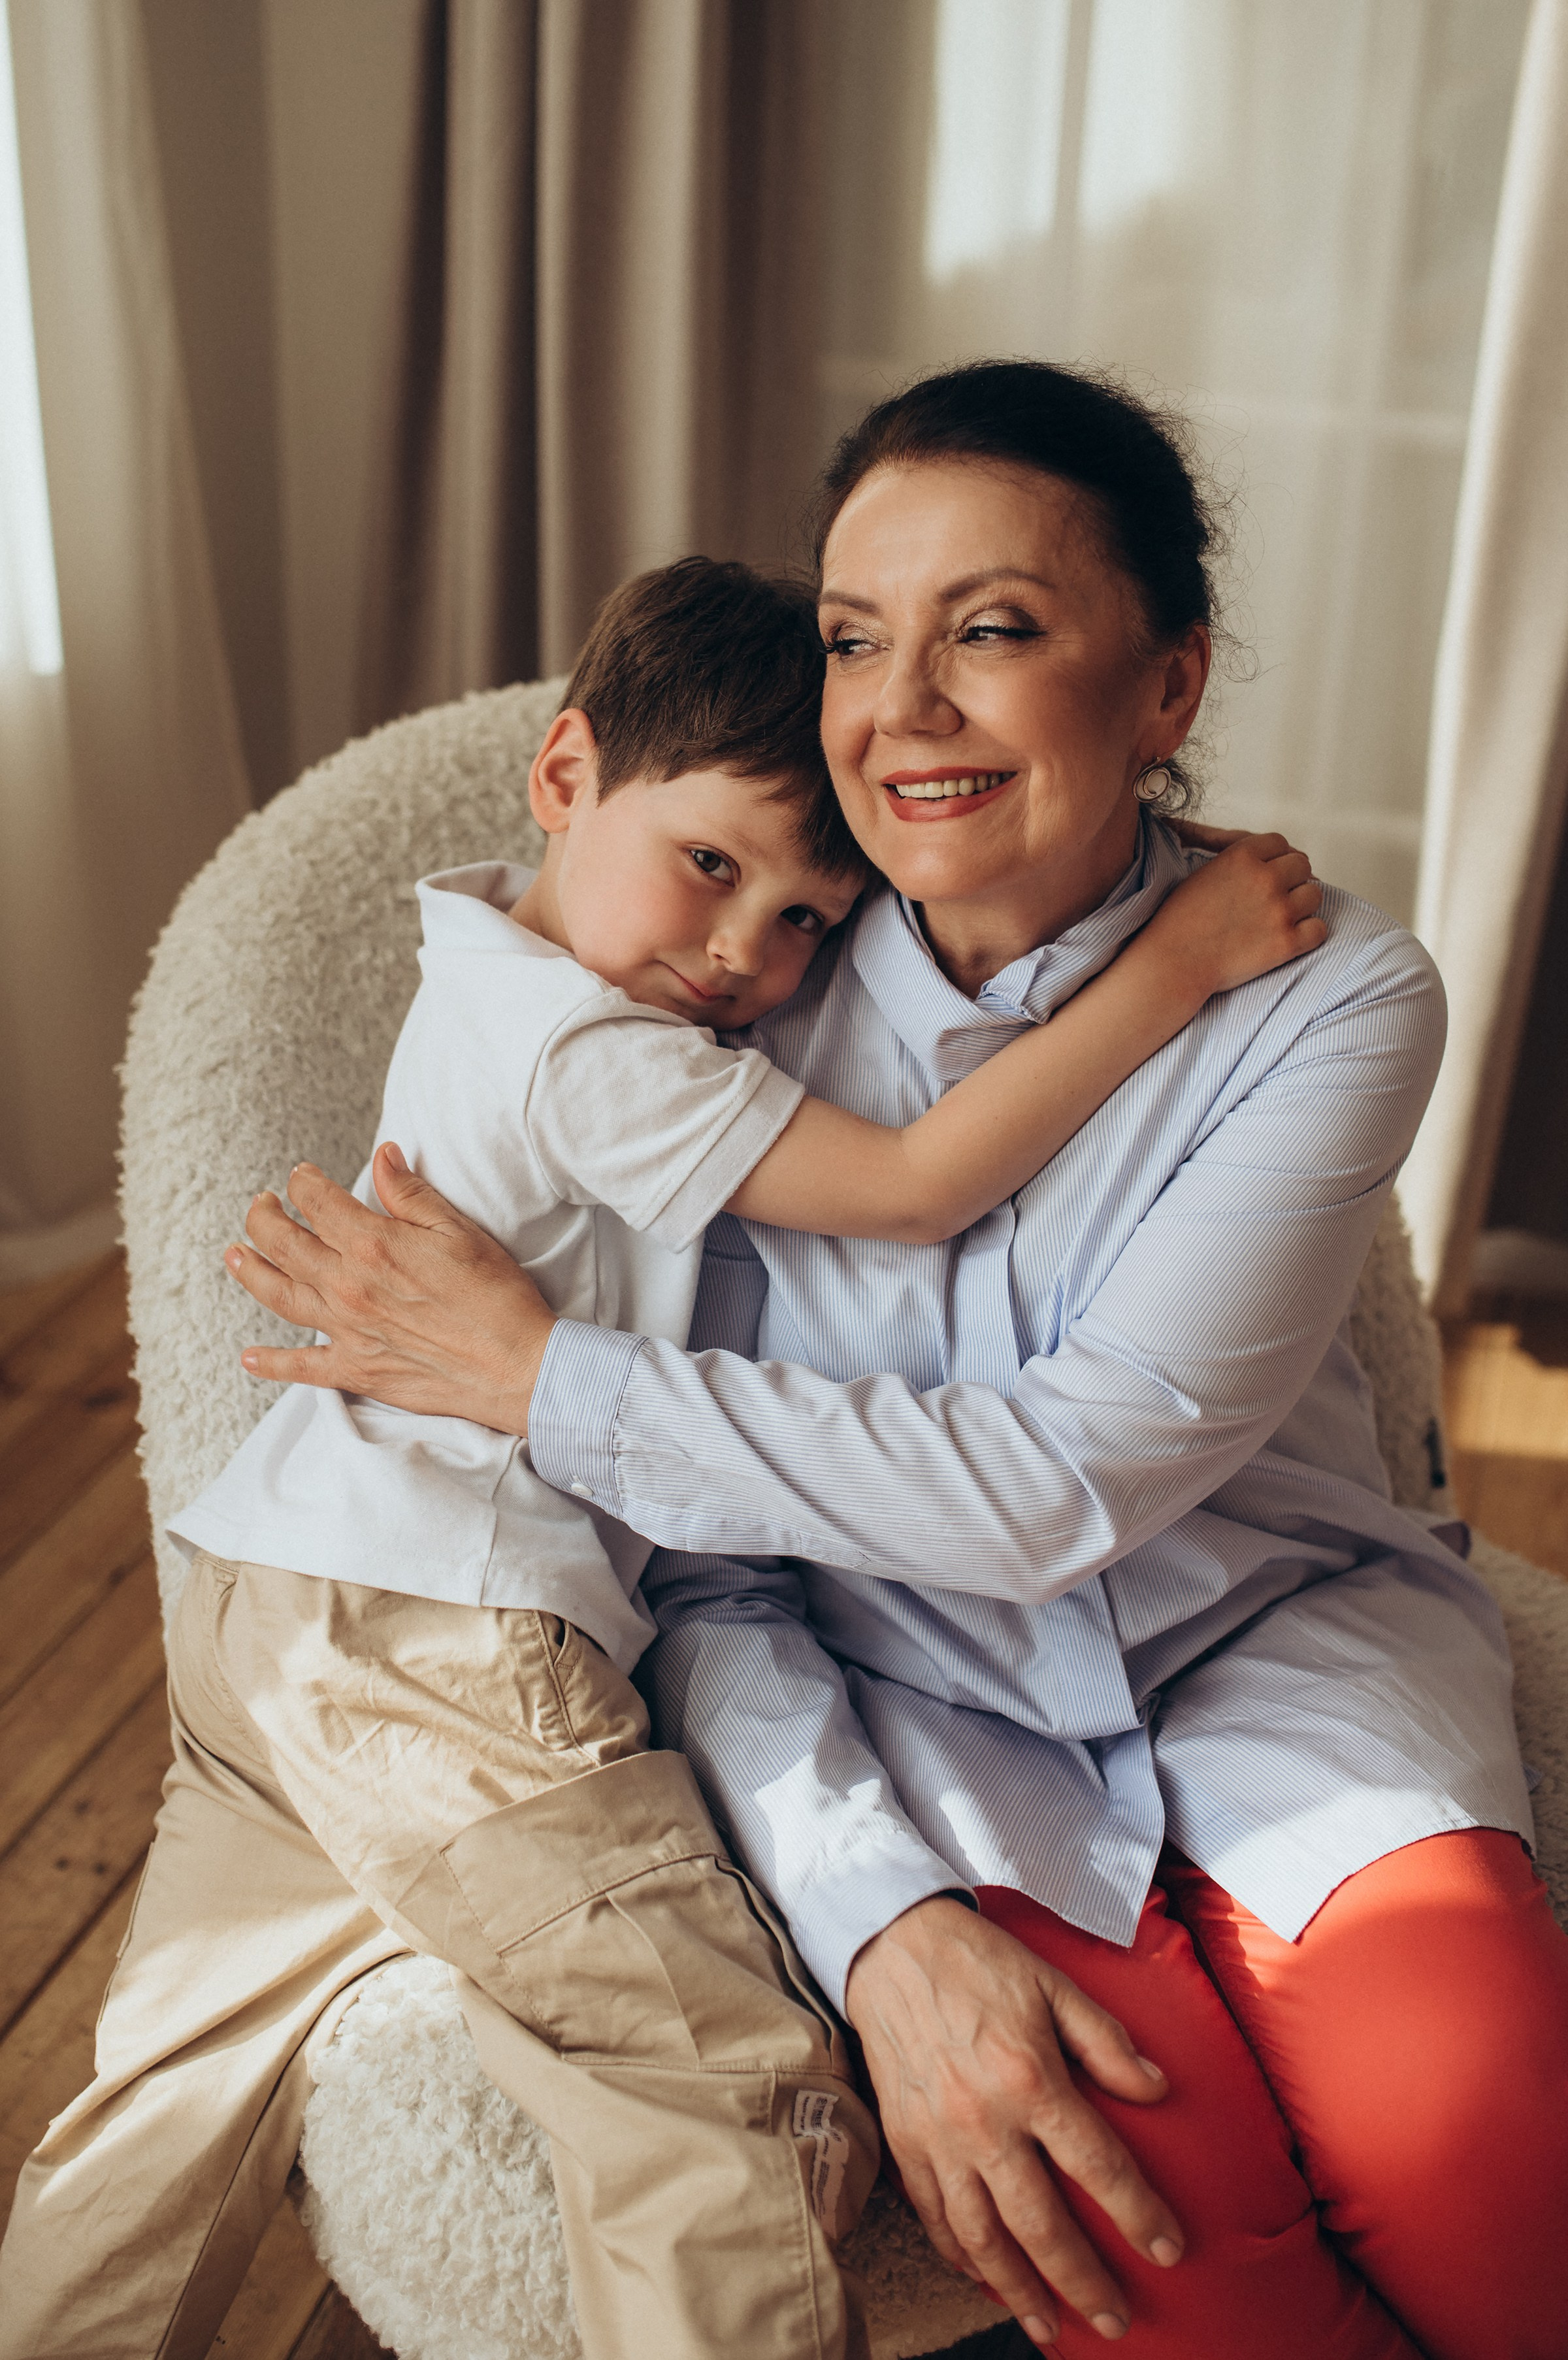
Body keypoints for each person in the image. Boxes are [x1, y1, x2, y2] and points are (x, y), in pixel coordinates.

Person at [218, 362, 1568, 2360]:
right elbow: (711, 1574)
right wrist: (882, 1911)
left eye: (995, 630)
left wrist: (544, 1374)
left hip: (1279, 1649)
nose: (902, 707)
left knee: (1500, 2165)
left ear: (1170, 685)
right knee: (1169, 2261)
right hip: (918, 1715)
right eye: (860, 637)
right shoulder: (718, 984)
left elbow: (1062, 1482)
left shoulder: (1321, 986)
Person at [0, 553, 1320, 2360]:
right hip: (444, 1642)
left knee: (167, 2099)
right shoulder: (594, 1052)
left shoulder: (484, 955)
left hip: (276, 1606)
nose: (740, 953)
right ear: (563, 776)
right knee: (731, 2098)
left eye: (801, 919)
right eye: (714, 866)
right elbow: (925, 1182)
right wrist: (1176, 964)